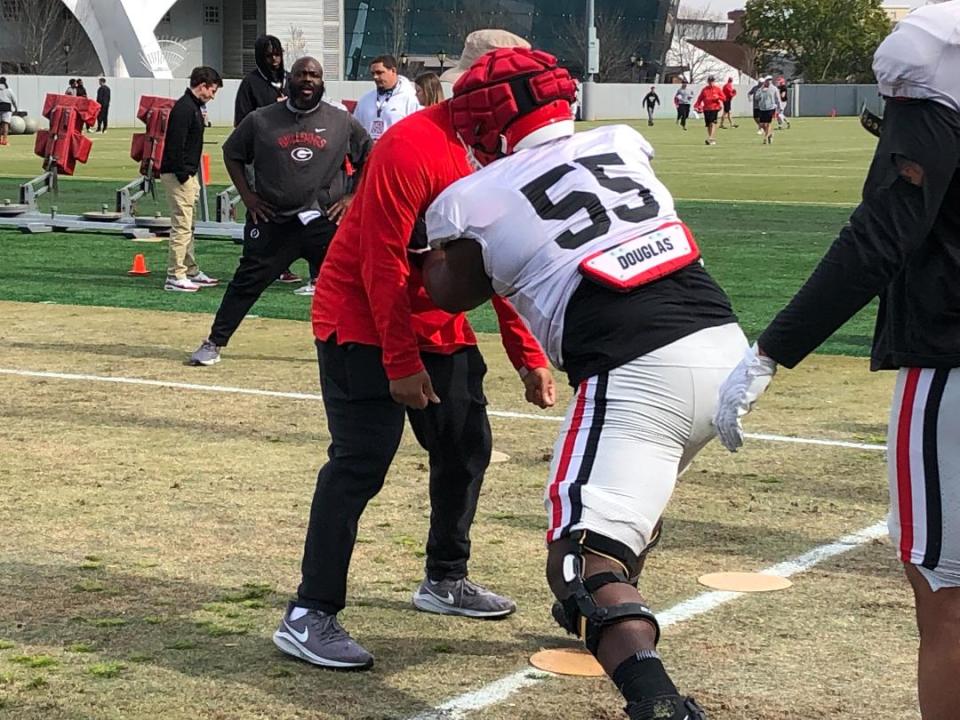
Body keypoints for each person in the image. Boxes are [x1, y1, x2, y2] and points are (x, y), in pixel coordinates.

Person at [422, 46, 745, 720]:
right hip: (722, 345)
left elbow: (450, 293)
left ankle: (656, 704)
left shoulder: (472, 195)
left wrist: (422, 244)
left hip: (636, 365)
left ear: (485, 122)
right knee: (630, 505)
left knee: (580, 561)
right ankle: (612, 609)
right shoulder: (622, 141)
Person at [270, 34, 556, 672]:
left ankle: (444, 579)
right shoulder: (411, 145)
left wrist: (525, 352)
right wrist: (399, 361)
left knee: (464, 447)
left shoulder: (502, 153)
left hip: (437, 322)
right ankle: (309, 612)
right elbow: (378, 260)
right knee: (359, 463)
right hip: (361, 318)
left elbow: (497, 263)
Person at [713, 4, 960, 718]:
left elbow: (881, 236)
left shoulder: (935, 50)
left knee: (944, 592)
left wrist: (772, 350)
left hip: (949, 360)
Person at [188, 57, 372, 366]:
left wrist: (353, 196)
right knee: (245, 284)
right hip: (273, 220)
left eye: (314, 75)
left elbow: (369, 156)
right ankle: (214, 342)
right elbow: (232, 154)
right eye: (301, 74)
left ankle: (369, 348)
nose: (307, 80)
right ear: (291, 79)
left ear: (322, 81)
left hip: (324, 220)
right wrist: (249, 197)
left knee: (353, 285)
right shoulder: (261, 120)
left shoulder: (342, 121)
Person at [234, 35, 304, 288]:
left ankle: (282, 263)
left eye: (278, 54)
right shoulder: (251, 84)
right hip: (259, 157)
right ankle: (253, 258)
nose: (274, 60)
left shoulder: (290, 79)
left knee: (286, 209)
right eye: (269, 55)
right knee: (259, 209)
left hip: (289, 157)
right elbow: (241, 123)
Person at [159, 66, 223, 293]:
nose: (213, 96)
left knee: (189, 225)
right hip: (179, 175)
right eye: (212, 91)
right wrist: (184, 174)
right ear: (202, 86)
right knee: (182, 226)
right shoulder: (185, 108)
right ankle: (175, 275)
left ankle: (191, 270)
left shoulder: (194, 107)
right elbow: (176, 145)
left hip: (186, 174)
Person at [353, 54, 421, 142]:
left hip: (396, 152)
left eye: (379, 72)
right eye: (373, 73)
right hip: (371, 153)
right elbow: (355, 130)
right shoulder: (365, 100)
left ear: (393, 71)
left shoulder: (410, 99)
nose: (375, 77)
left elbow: (417, 132)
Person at [694, 75, 725, 145]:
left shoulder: (717, 89)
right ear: (708, 82)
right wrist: (696, 106)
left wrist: (718, 97)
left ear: (714, 81)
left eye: (712, 81)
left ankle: (710, 138)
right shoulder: (704, 89)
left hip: (714, 108)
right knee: (708, 125)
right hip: (706, 109)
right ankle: (711, 140)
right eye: (710, 81)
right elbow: (699, 99)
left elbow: (724, 98)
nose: (711, 82)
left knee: (713, 123)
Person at [755, 76, 780, 144]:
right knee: (762, 124)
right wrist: (761, 91)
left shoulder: (774, 88)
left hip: (771, 108)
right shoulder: (761, 89)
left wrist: (779, 107)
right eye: (768, 80)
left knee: (768, 123)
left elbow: (778, 98)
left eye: (770, 80)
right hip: (762, 108)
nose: (769, 81)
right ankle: (770, 134)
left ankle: (765, 138)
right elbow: (756, 97)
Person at [0, 77, 18, 147]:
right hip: (7, 107)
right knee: (5, 124)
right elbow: (14, 100)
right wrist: (16, 108)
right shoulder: (9, 90)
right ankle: (5, 140)